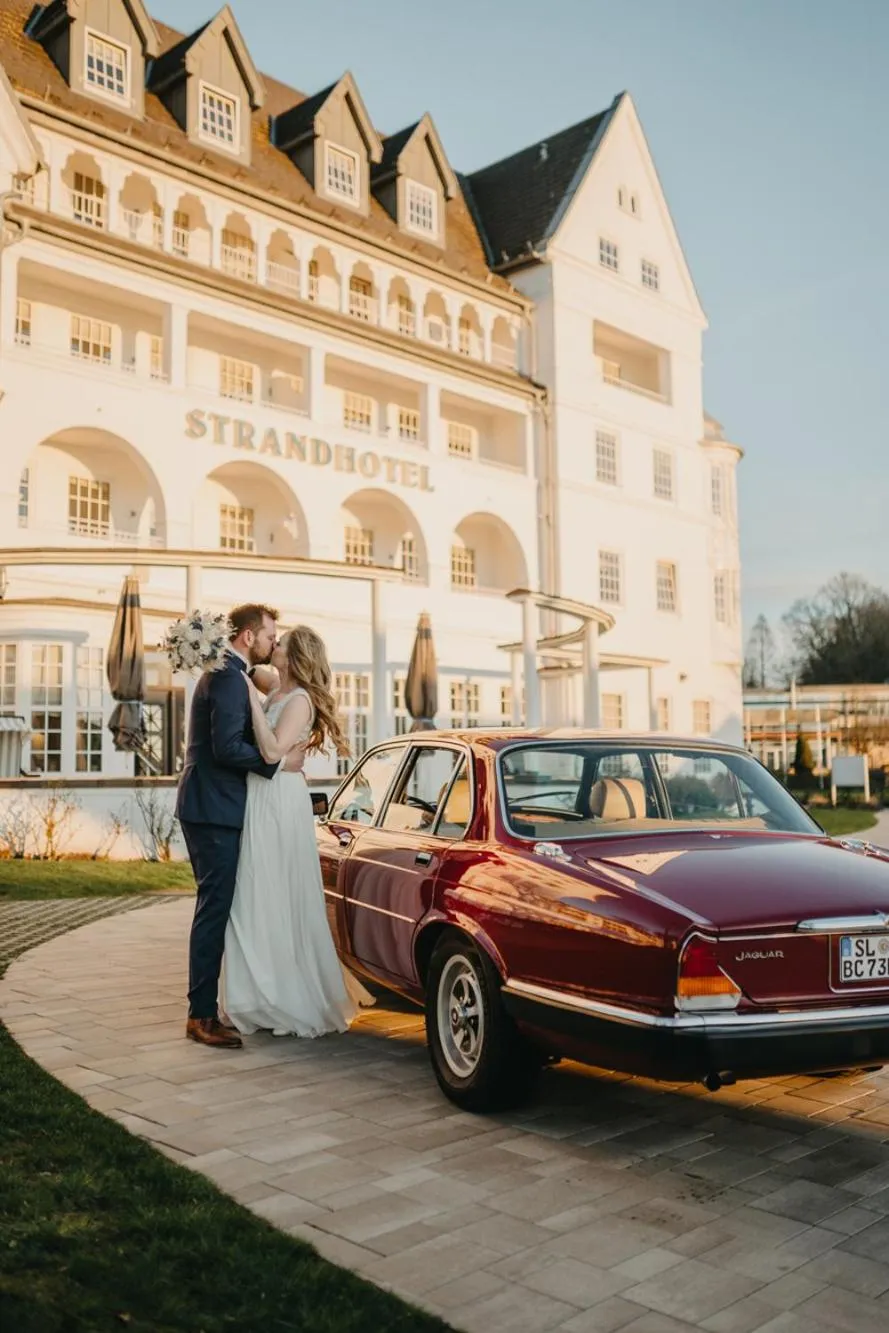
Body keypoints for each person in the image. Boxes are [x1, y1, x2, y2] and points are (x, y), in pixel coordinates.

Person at [223, 624, 374, 1037]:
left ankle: (284, 999)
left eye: (281, 643)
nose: (274, 645)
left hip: (278, 801)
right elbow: (245, 670)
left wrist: (252, 702)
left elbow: (273, 751)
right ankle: (252, 996)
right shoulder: (275, 686)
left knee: (275, 893)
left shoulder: (300, 701)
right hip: (260, 795)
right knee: (253, 895)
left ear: (294, 656)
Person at [176, 604, 306, 1049]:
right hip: (214, 808)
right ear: (249, 636)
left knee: (213, 908)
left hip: (210, 804)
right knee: (213, 910)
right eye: (271, 635)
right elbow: (228, 748)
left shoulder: (231, 672)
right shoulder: (230, 676)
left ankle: (207, 1008)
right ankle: (201, 1016)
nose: (275, 642)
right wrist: (278, 766)